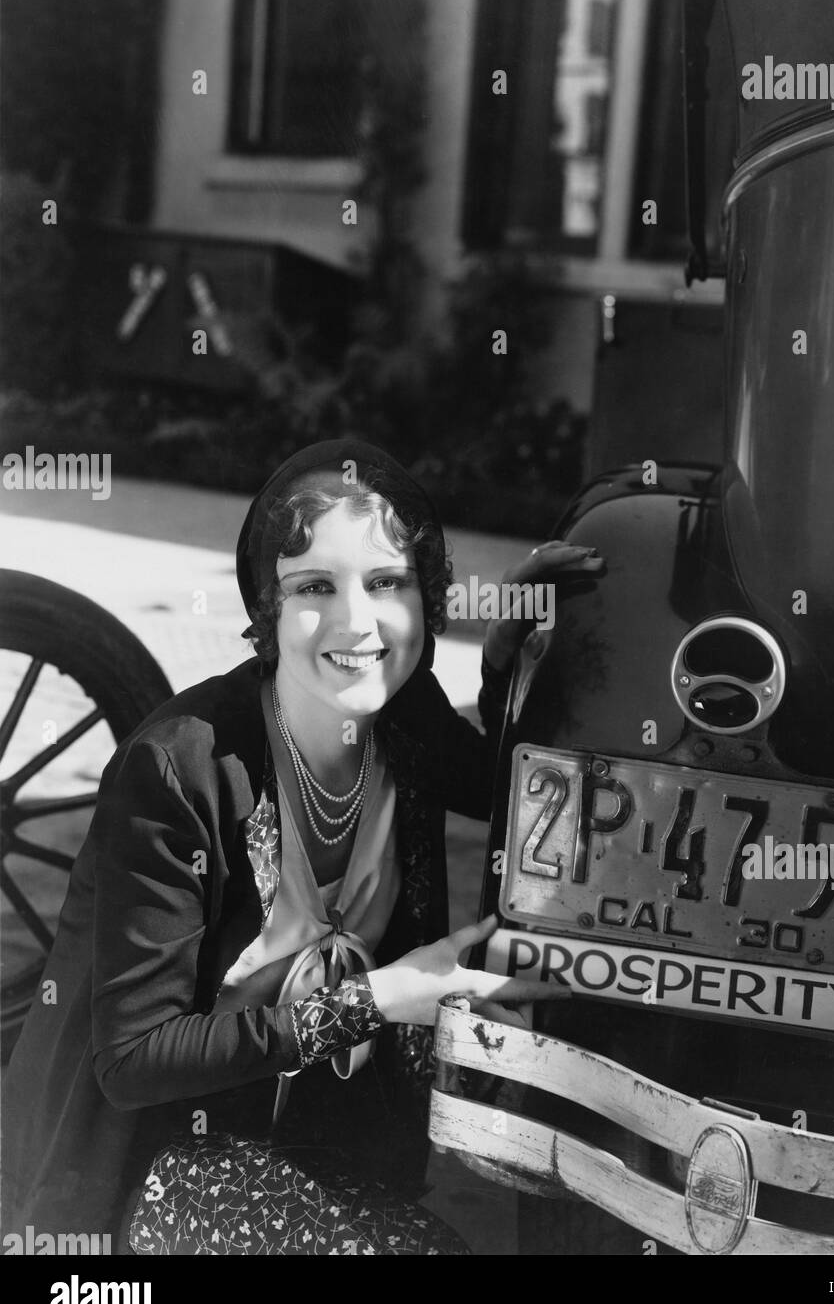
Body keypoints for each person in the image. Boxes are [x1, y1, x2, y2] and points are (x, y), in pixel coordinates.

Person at [1, 439, 602, 1255]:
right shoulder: (179, 767)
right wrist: (375, 999)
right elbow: (134, 1060)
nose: (357, 621)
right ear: (267, 607)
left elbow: (515, 797)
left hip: (327, 1145)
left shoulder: (404, 714)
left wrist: (505, 660)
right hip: (156, 1166)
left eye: (389, 583)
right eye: (315, 586)